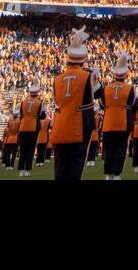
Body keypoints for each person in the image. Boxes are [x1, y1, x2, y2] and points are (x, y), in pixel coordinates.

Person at [52, 28, 96, 181]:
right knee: (75, 168)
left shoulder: (57, 79)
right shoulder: (87, 76)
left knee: (60, 168)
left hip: (60, 124)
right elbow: (97, 94)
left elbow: (57, 101)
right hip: (79, 124)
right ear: (83, 59)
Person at [99, 52, 137, 180]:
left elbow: (102, 105)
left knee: (108, 149)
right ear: (125, 75)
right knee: (120, 149)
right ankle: (117, 174)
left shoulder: (106, 88)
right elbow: (134, 105)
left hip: (108, 122)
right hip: (123, 122)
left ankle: (108, 174)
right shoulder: (130, 88)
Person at [15, 82, 45, 177]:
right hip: (33, 126)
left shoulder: (23, 102)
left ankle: (21, 170)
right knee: (30, 149)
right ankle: (27, 169)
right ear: (37, 93)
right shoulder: (39, 103)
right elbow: (42, 116)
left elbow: (21, 115)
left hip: (23, 126)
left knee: (23, 149)